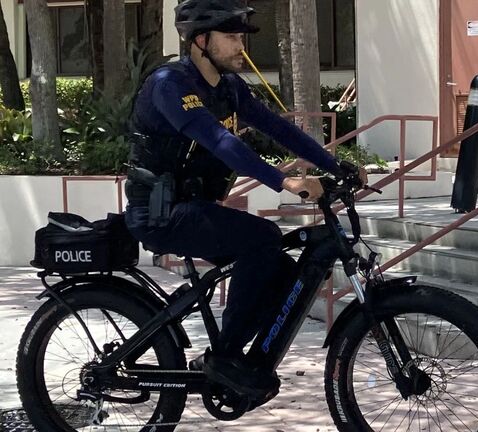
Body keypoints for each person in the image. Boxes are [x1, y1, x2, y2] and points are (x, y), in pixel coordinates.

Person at [124, 0, 363, 399]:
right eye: (232, 37)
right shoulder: (170, 84)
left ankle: (234, 360)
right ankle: (226, 356)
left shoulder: (229, 87)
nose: (241, 47)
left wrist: (336, 166)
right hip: (159, 212)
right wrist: (279, 182)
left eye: (240, 37)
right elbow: (218, 140)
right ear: (201, 40)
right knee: (262, 237)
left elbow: (277, 128)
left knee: (285, 273)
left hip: (194, 207)